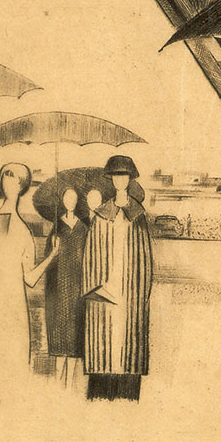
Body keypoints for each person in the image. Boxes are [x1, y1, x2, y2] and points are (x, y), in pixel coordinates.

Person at [0, 163, 59, 416]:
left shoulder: (25, 233)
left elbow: (29, 279)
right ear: (1, 183)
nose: (10, 179)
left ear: (22, 186)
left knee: (14, 383)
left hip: (16, 318)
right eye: (6, 174)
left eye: (15, 176)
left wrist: (53, 255)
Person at [82, 155, 154, 401]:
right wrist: (96, 289)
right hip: (106, 293)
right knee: (104, 348)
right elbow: (91, 257)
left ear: (130, 179)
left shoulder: (139, 214)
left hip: (130, 292)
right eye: (116, 176)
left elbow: (145, 259)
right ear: (111, 180)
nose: (120, 180)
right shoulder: (101, 215)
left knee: (129, 348)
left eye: (124, 175)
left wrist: (139, 294)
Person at [44, 185, 89, 387]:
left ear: (77, 201)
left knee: (74, 335)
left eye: (73, 198)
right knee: (58, 333)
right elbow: (48, 260)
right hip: (59, 286)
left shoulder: (84, 227)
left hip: (77, 287)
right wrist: (53, 248)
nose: (70, 201)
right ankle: (56, 382)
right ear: (62, 201)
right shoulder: (57, 227)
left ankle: (70, 383)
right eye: (66, 198)